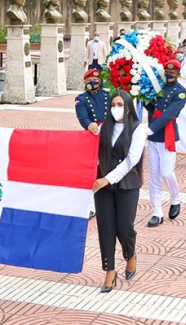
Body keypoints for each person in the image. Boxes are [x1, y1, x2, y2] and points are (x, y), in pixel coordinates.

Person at [91, 91, 145, 293]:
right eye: (113, 105)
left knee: (124, 228)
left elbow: (132, 160)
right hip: (103, 186)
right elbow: (90, 150)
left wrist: (107, 178)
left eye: (120, 104)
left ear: (129, 107)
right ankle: (109, 271)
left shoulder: (138, 129)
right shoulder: (104, 128)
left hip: (126, 184)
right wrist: (89, 128)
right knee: (106, 229)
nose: (116, 109)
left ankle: (130, 254)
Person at [145, 60, 186, 227]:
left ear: (178, 73)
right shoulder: (158, 88)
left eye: (173, 72)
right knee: (154, 175)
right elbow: (152, 107)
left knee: (167, 172)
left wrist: (149, 130)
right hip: (155, 137)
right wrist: (141, 93)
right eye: (167, 72)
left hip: (167, 135)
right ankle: (157, 212)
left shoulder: (181, 92)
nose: (170, 74)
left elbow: (168, 115)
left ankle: (175, 199)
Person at [75, 68, 109, 219]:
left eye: (95, 81)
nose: (92, 83)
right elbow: (82, 117)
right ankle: (90, 206)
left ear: (100, 81)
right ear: (85, 82)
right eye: (89, 81)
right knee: (92, 171)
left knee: (109, 168)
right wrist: (89, 124)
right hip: (93, 136)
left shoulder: (108, 95)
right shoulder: (81, 99)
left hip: (109, 134)